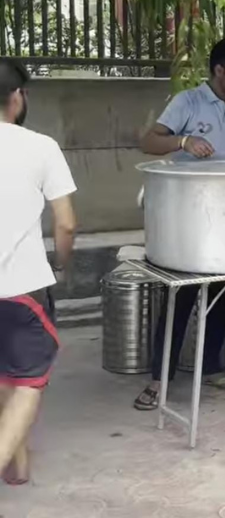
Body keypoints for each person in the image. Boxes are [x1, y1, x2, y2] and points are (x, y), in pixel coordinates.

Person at [134, 37, 225, 410]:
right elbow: (149, 141)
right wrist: (184, 141)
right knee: (181, 296)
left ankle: (214, 369)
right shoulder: (186, 102)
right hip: (187, 219)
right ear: (219, 70)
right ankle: (159, 380)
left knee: (222, 292)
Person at [0, 58, 77, 486]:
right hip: (23, 286)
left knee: (6, 372)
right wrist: (62, 265)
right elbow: (65, 222)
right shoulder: (40, 146)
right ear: (17, 98)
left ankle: (18, 467)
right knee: (28, 381)